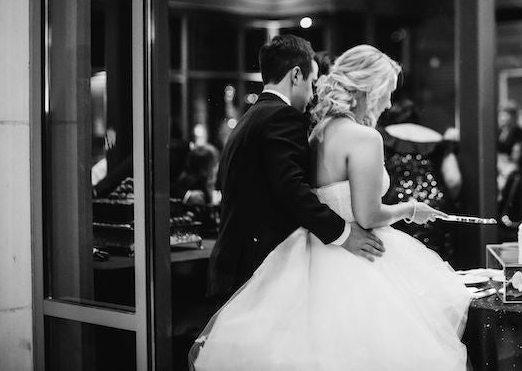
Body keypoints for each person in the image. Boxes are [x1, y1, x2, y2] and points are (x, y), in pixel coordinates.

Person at [191, 45, 470, 371]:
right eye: (388, 92)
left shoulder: (317, 133)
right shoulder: (365, 138)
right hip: (354, 259)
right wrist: (409, 209)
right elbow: (366, 214)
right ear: (370, 88)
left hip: (310, 255)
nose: (390, 102)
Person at [204, 35, 384, 306]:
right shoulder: (281, 116)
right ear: (296, 75)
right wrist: (343, 234)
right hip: (256, 264)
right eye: (312, 84)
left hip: (234, 260)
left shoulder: (251, 117)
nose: (313, 95)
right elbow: (291, 189)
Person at [378, 98, 462, 261]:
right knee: (435, 262)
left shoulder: (380, 136)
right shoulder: (438, 139)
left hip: (396, 208)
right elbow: (454, 179)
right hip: (433, 208)